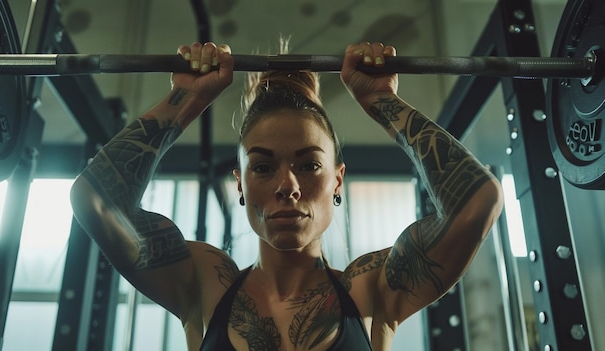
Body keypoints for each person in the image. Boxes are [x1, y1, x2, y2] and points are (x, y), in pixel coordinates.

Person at [70, 40, 504, 350]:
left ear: (337, 181)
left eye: (309, 164)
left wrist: (382, 102)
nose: (287, 185)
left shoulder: (370, 288)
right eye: (261, 166)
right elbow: (95, 201)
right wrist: (185, 99)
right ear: (240, 184)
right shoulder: (204, 282)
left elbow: (478, 201)